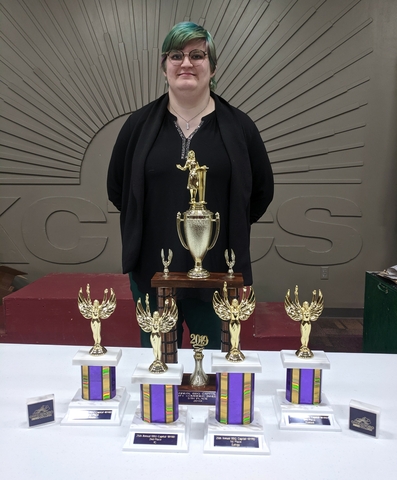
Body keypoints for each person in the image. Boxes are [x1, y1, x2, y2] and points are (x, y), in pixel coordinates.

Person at [107, 21, 274, 349]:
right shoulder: (137, 126)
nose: (186, 63)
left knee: (212, 369)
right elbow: (118, 189)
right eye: (176, 55)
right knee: (158, 372)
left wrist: (222, 230)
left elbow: (260, 193)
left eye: (197, 55)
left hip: (218, 275)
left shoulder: (240, 127)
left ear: (212, 67)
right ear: (164, 66)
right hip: (152, 273)